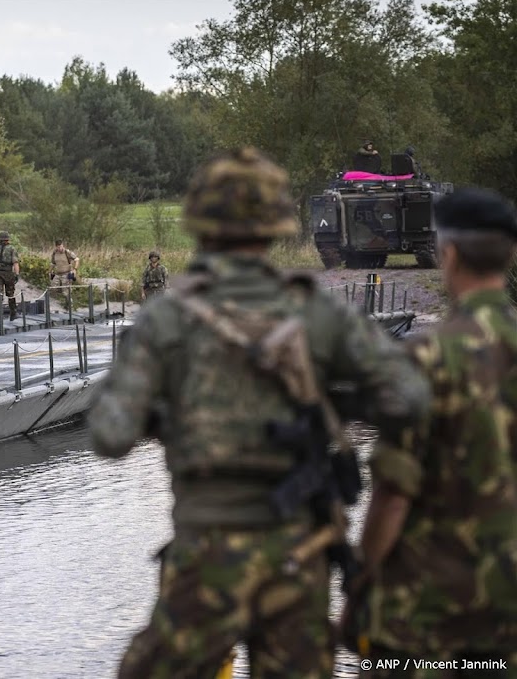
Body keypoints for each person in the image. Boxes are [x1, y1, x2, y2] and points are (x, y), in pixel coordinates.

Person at [89, 147, 430, 679]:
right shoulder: (317, 311)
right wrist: (330, 404)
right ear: (276, 227)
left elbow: (109, 434)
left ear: (200, 224)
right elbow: (409, 399)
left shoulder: (168, 318)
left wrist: (165, 407)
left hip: (205, 559)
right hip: (299, 556)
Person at [346, 188, 517, 678]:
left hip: (427, 605)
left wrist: (361, 581)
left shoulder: (426, 358)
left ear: (449, 253)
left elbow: (394, 496)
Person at [0, 230, 21, 320]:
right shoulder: (12, 249)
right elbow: (15, 263)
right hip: (8, 273)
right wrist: (17, 274)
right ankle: (13, 313)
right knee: (10, 294)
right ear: (7, 239)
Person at [49, 239, 79, 309]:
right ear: (56, 247)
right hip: (57, 273)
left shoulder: (67, 252)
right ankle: (62, 296)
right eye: (58, 247)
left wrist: (75, 269)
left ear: (62, 245)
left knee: (66, 291)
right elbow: (52, 263)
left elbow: (77, 259)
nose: (59, 248)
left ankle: (69, 305)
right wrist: (49, 271)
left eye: (60, 246)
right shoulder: (54, 253)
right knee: (53, 287)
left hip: (67, 273)